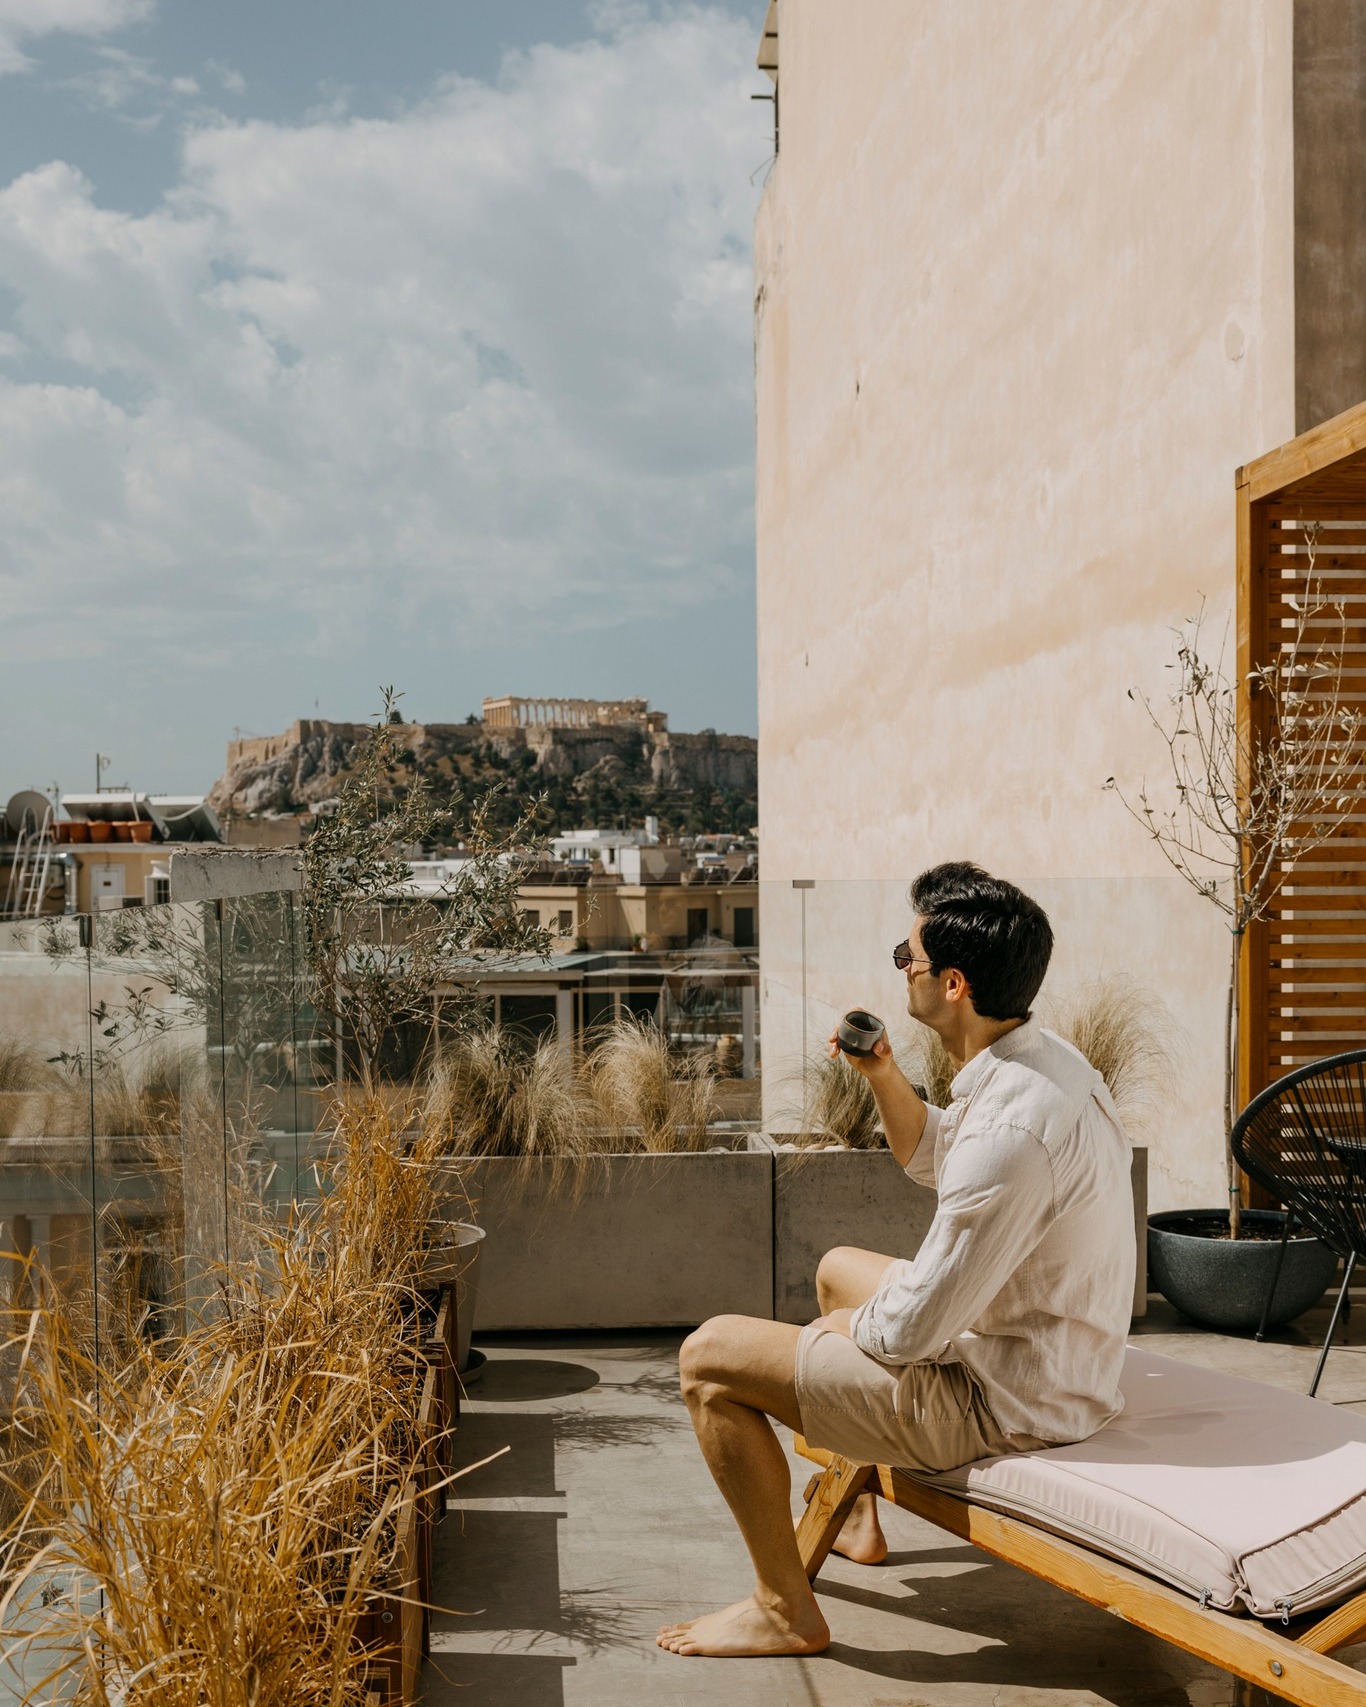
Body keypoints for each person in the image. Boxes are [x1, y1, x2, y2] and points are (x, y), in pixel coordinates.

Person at [657, 861, 1135, 1659]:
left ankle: (783, 1607)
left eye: (904, 956)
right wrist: (882, 1073)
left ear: (953, 984)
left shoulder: (1015, 1135)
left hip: (1010, 1402)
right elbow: (939, 1152)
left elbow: (911, 1330)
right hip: (1046, 1350)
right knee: (839, 1264)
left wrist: (847, 1330)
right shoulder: (1042, 1064)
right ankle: (853, 1510)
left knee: (709, 1359)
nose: (899, 966)